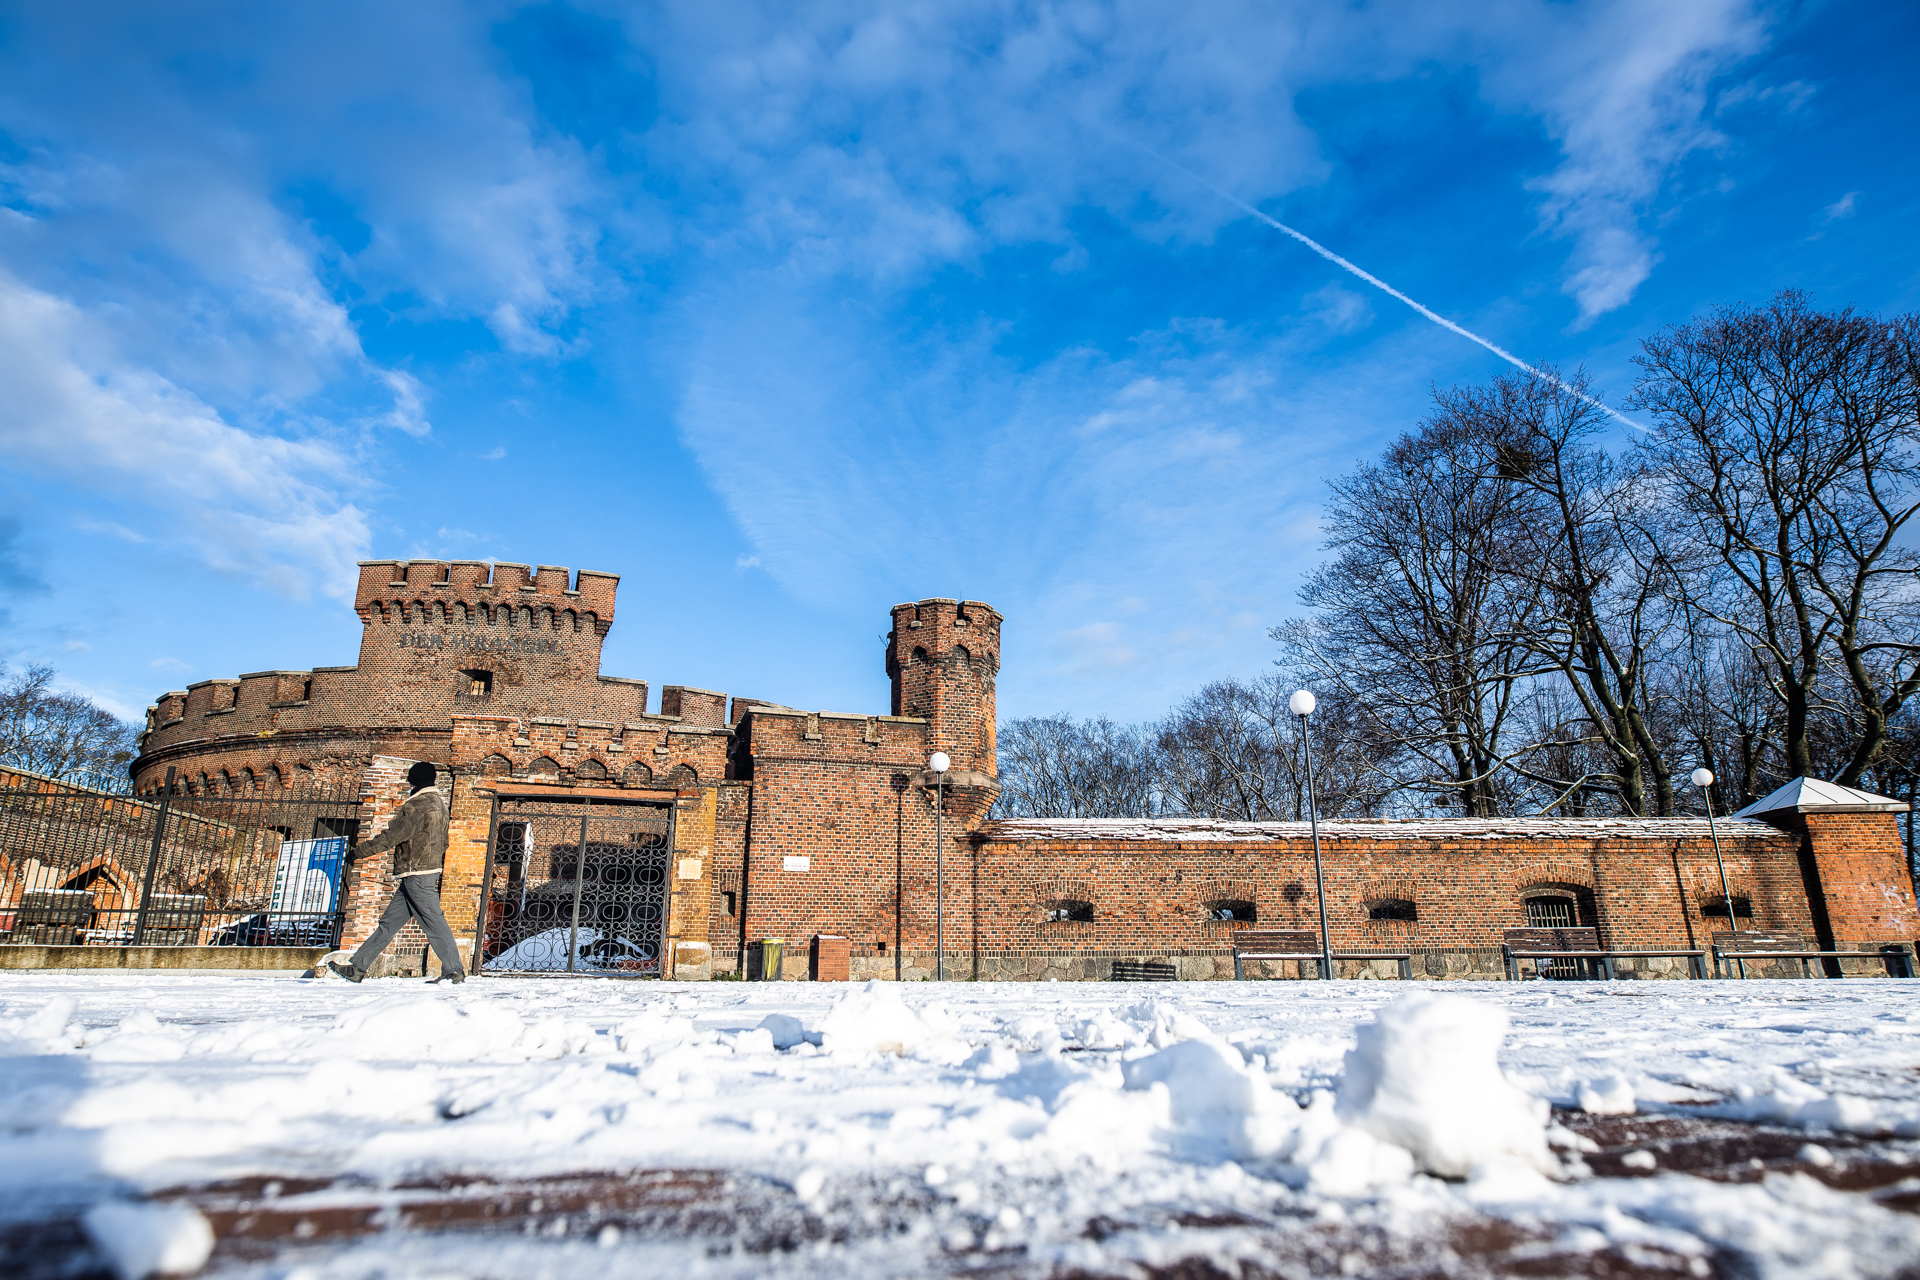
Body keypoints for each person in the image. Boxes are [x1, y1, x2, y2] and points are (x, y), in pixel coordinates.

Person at [327, 761, 466, 984]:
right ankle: (358, 967)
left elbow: (393, 836)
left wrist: (358, 852)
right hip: (419, 873)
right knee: (389, 923)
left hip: (417, 873)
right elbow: (444, 842)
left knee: (434, 921)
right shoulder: (438, 804)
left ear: (415, 780)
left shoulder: (418, 805)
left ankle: (453, 970)